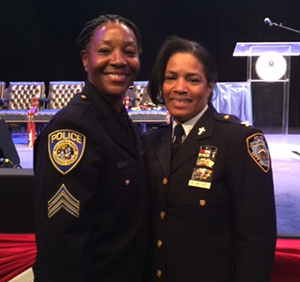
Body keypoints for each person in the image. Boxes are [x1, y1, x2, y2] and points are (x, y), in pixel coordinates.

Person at [142, 36, 277, 282]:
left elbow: (257, 239)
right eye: (171, 77)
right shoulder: (151, 142)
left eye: (192, 79)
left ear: (210, 86)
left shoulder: (239, 140)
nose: (179, 88)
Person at [33, 14, 148, 281]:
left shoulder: (122, 122)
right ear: (86, 59)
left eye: (129, 52)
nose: (119, 60)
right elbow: (63, 247)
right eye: (105, 51)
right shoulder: (72, 131)